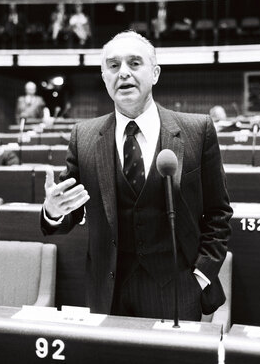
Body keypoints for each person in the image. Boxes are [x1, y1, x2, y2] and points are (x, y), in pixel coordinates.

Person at [41, 30, 232, 321]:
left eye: (135, 63)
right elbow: (71, 209)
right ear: (104, 76)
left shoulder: (198, 130)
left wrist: (200, 277)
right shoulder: (84, 136)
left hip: (177, 290)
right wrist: (53, 211)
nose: (124, 73)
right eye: (114, 65)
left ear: (154, 73)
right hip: (108, 290)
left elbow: (218, 213)